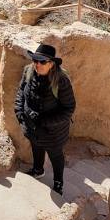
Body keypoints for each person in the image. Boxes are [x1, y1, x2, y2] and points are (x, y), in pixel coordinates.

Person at [14, 42, 76, 195]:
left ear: (51, 64)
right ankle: (38, 170)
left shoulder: (60, 81)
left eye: (42, 62)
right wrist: (20, 113)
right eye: (35, 60)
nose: (37, 64)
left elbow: (68, 109)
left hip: (53, 131)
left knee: (55, 155)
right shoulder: (28, 71)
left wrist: (44, 122)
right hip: (32, 126)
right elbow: (21, 92)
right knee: (36, 146)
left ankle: (58, 183)